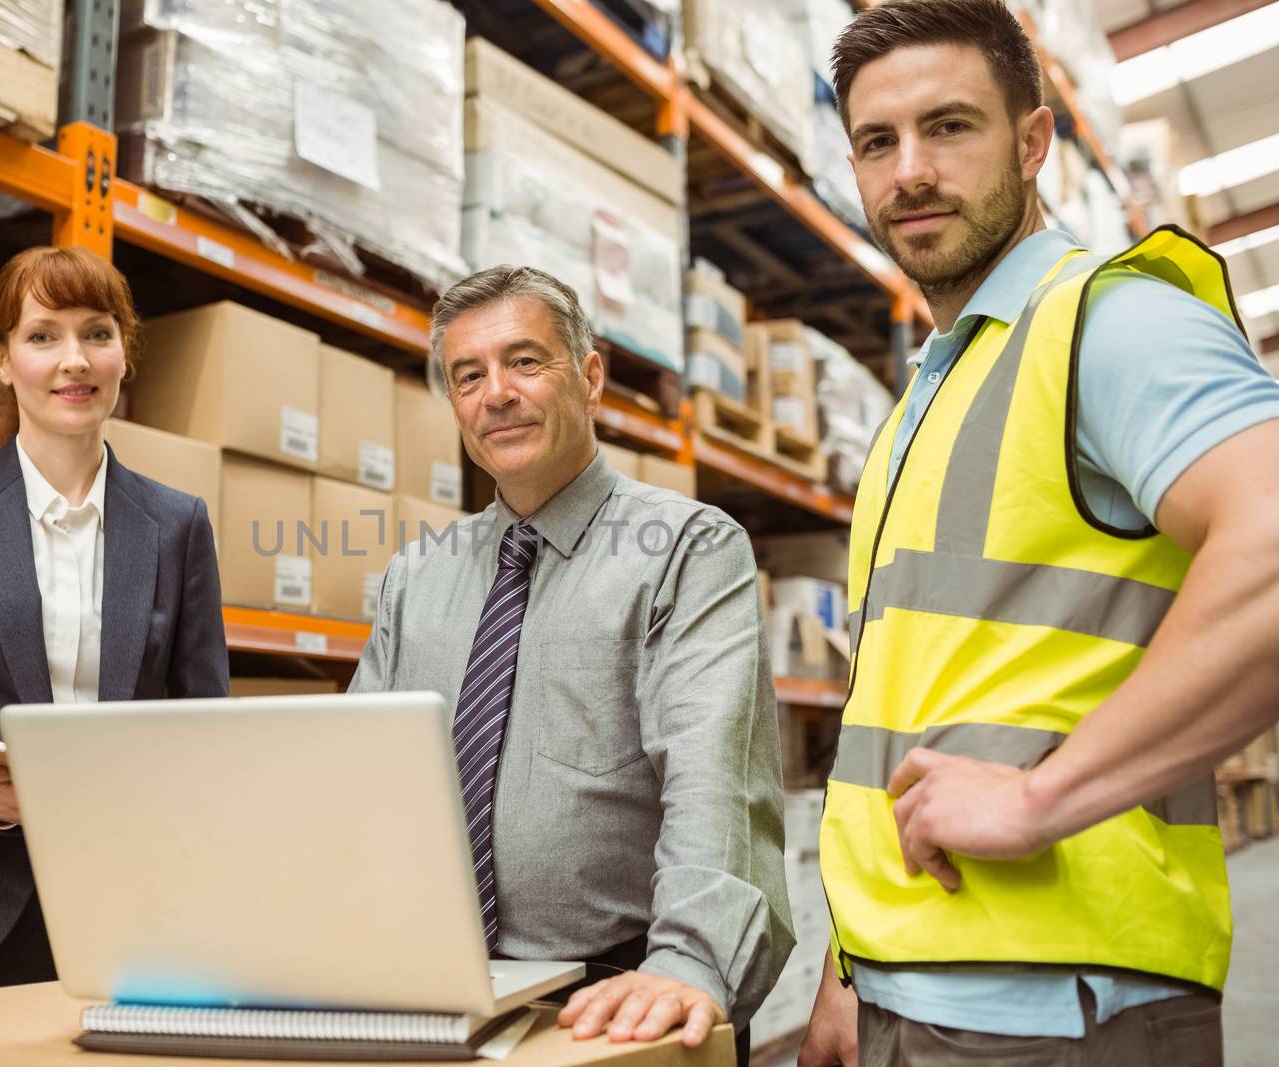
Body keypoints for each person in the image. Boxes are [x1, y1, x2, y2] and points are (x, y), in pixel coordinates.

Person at [796, 2, 1279, 1063]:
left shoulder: (1110, 322)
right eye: (878, 141)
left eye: (949, 126)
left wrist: (1043, 797)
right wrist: (849, 963)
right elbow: (921, 696)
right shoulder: (934, 391)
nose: (910, 170)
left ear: (1032, 142)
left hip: (1063, 1009)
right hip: (909, 987)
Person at [349, 265, 792, 1062]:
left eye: (525, 361)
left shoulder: (687, 549)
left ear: (590, 378)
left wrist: (687, 958)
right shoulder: (418, 578)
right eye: (468, 375)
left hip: (615, 994)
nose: (496, 393)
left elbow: (714, 773)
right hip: (445, 995)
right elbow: (351, 777)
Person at [0, 246, 230, 999]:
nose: (73, 361)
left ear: (126, 353)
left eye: (97, 332)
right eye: (42, 335)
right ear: (1, 358)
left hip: (128, 912)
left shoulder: (178, 524)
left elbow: (205, 728)